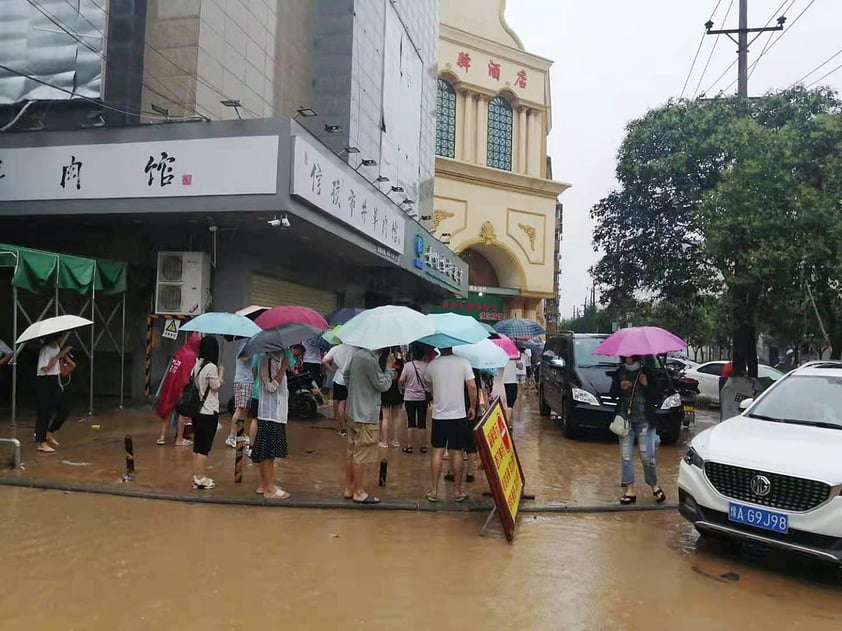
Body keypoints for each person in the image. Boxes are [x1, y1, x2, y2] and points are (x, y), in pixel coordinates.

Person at [610, 355, 666, 505]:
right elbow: (612, 394)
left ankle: (655, 486)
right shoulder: (620, 372)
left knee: (647, 456)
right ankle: (629, 490)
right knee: (626, 456)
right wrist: (620, 387)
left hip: (645, 422)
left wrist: (646, 384)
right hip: (626, 422)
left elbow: (658, 397)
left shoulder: (647, 371)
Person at [424, 347, 477, 503]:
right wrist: (472, 406)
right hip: (458, 415)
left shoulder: (433, 365)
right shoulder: (464, 362)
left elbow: (428, 384)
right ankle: (457, 491)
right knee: (456, 452)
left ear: (439, 346)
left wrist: (436, 395)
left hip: (439, 415)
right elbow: (472, 387)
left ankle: (434, 492)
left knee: (437, 452)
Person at [344, 346, 395, 504]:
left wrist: (356, 391)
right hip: (366, 414)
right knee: (362, 452)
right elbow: (382, 385)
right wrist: (388, 369)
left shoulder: (357, 355)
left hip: (353, 410)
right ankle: (359, 492)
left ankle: (350, 487)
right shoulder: (369, 359)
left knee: (352, 450)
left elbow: (346, 376)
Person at [252, 348, 293, 500]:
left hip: (277, 413)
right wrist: (283, 368)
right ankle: (269, 488)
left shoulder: (279, 357)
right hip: (270, 414)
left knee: (269, 452)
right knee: (268, 453)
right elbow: (270, 387)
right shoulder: (266, 359)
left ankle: (265, 484)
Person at [154, 333, 200, 447]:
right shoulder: (191, 356)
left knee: (167, 410)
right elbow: (188, 374)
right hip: (181, 387)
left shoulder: (181, 351)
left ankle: (162, 437)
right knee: (182, 412)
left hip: (170, 385)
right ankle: (179, 438)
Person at [190, 336, 224, 490]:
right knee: (204, 447)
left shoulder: (197, 364)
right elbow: (216, 386)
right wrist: (221, 373)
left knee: (198, 446)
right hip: (208, 411)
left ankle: (196, 475)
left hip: (197, 411)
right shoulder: (211, 367)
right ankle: (200, 478)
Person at [34, 334, 75, 453]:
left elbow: (63, 371)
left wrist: (68, 362)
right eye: (62, 337)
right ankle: (41, 443)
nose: (63, 339)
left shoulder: (57, 349)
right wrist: (59, 355)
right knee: (44, 413)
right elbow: (45, 369)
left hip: (55, 381)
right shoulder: (45, 350)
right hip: (45, 382)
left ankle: (50, 432)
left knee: (64, 409)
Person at [398, 343, 430, 454]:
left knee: (411, 422)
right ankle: (423, 445)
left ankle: (409, 445)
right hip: (422, 398)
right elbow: (429, 381)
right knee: (422, 422)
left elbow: (401, 380)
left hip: (409, 397)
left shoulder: (408, 366)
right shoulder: (427, 366)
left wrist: (401, 388)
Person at [322, 343, 357, 436]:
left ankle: (342, 427)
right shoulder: (355, 349)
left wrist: (332, 370)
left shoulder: (335, 349)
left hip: (338, 378)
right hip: (351, 379)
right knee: (348, 404)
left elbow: (324, 361)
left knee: (339, 402)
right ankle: (351, 426)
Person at [226, 340, 254, 449]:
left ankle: (240, 434)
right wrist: (255, 350)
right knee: (240, 409)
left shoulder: (249, 343)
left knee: (244, 410)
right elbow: (245, 358)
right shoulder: (244, 344)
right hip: (243, 380)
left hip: (249, 380)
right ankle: (232, 437)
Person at [379, 347, 404, 448]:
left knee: (385, 417)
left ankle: (384, 441)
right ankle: (396, 440)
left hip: (385, 390)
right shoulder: (399, 360)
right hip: (397, 391)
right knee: (396, 417)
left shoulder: (381, 360)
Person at [502, 356, 520, 430]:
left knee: (504, 404)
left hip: (501, 382)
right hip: (511, 381)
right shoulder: (515, 353)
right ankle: (506, 425)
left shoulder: (498, 353)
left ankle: (506, 423)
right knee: (510, 404)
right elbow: (521, 366)